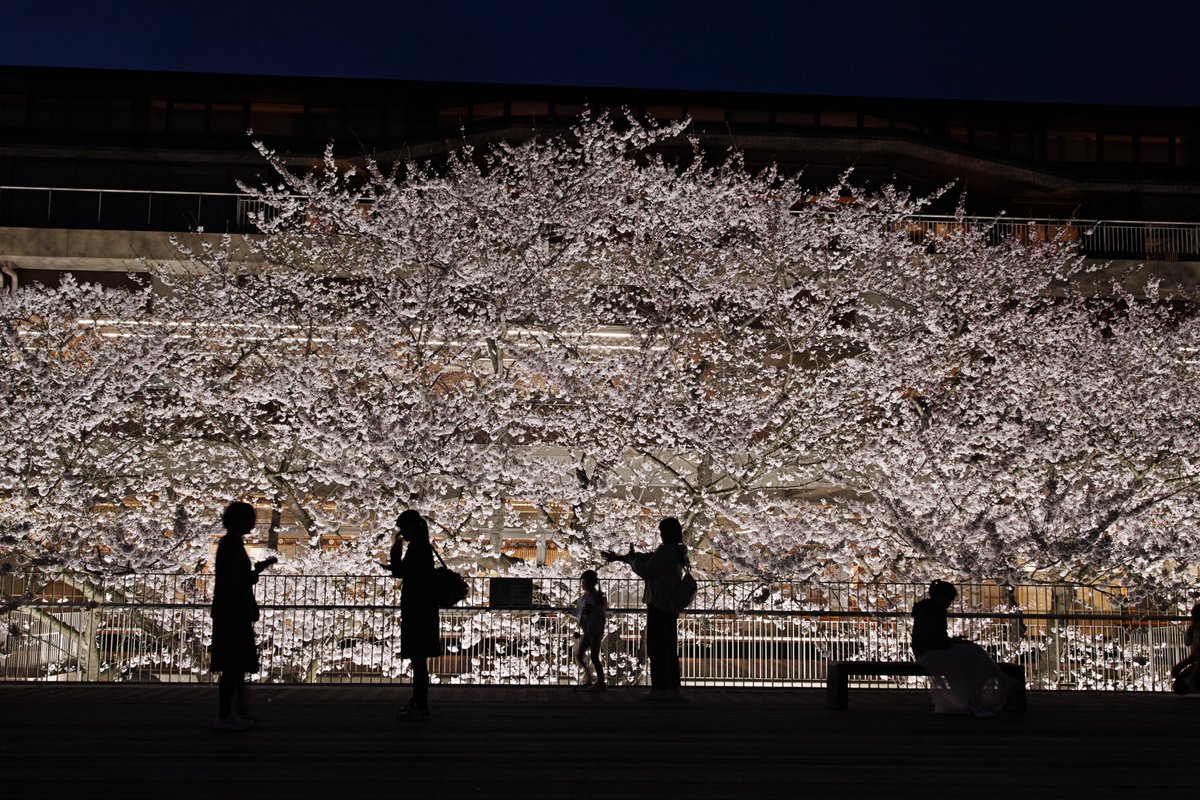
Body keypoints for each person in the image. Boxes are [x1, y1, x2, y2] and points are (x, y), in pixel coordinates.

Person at [603, 517, 688, 700]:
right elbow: (649, 558)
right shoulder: (678, 551)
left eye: (662, 531)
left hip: (658, 603)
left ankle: (659, 690)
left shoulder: (665, 551)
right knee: (669, 649)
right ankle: (673, 689)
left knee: (656, 648)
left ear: (667, 533)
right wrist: (622, 558)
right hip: (671, 605)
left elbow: (647, 570)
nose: (661, 535)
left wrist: (632, 562)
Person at [210, 501, 276, 731]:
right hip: (233, 613)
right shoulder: (231, 544)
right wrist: (255, 573)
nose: (253, 523)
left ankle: (232, 713)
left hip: (229, 611)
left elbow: (234, 578)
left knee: (234, 667)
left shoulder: (230, 543)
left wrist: (254, 572)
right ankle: (227, 714)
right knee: (233, 666)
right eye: (250, 518)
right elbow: (235, 581)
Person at [911, 579, 1013, 716]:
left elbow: (934, 638)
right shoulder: (934, 611)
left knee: (972, 652)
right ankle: (985, 689)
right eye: (949, 599)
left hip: (927, 651)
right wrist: (953, 643)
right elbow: (935, 639)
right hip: (930, 653)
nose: (949, 603)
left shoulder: (928, 609)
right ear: (941, 597)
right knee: (974, 653)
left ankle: (975, 694)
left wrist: (953, 642)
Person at [387, 509, 441, 721]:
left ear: (412, 527)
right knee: (419, 660)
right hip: (423, 608)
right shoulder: (422, 547)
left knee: (419, 659)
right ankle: (418, 701)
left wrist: (395, 548)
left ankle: (420, 704)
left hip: (418, 609)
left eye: (403, 528)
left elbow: (401, 571)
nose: (401, 532)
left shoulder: (418, 548)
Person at [571, 569, 608, 691]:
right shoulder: (588, 597)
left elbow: (590, 613)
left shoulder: (595, 598)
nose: (582, 584)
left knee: (592, 657)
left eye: (584, 582)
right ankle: (592, 680)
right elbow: (583, 613)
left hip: (594, 632)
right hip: (589, 631)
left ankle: (600, 682)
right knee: (582, 656)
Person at [1170, 603, 1200, 694]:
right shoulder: (1195, 629)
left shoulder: (1196, 628)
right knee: (1178, 686)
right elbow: (1188, 643)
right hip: (1196, 661)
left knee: (1180, 686)